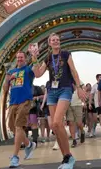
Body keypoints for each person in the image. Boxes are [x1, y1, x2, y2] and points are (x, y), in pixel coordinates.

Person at [31, 35, 86, 169]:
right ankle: (66, 157)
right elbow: (38, 74)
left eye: (57, 39)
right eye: (53, 40)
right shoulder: (48, 58)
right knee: (55, 126)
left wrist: (79, 87)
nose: (56, 41)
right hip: (52, 92)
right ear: (49, 43)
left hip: (65, 89)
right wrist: (34, 58)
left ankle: (69, 156)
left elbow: (73, 71)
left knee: (56, 122)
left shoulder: (66, 54)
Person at [4, 51, 38, 167]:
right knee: (13, 127)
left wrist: (34, 57)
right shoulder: (11, 72)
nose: (19, 59)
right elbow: (5, 89)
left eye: (21, 57)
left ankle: (15, 157)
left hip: (25, 101)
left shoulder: (28, 70)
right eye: (18, 57)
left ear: (25, 58)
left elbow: (37, 71)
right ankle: (29, 145)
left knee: (19, 127)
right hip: (13, 102)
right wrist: (8, 79)